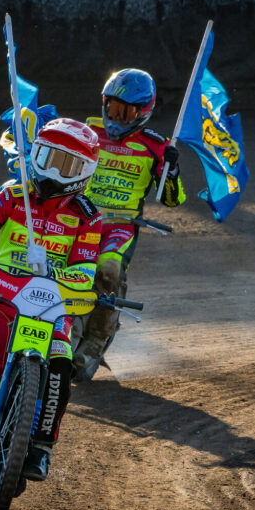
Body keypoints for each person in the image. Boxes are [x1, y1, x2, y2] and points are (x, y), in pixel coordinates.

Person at [0, 118, 102, 493]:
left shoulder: (89, 217)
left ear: (85, 172)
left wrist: (66, 285)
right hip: (2, 298)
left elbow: (85, 273)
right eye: (47, 156)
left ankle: (40, 447)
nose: (53, 169)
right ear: (34, 153)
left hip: (52, 308)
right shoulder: (15, 194)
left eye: (67, 164)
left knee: (60, 361)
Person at [77, 68, 186, 367]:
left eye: (125, 112)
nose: (116, 118)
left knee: (108, 268)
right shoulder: (87, 132)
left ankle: (95, 343)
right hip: (77, 218)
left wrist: (172, 172)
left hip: (120, 228)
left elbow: (172, 200)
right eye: (112, 109)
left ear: (143, 112)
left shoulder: (158, 146)